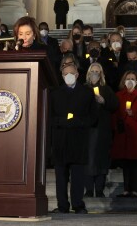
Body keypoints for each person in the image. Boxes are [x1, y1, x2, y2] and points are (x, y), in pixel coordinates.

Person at [50, 62, 97, 213]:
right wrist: (62, 122)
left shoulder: (87, 92)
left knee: (78, 176)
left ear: (77, 75)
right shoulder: (55, 93)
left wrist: (78, 122)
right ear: (62, 76)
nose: (69, 76)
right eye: (65, 74)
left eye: (72, 73)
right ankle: (62, 205)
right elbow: (49, 117)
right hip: (60, 139)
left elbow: (94, 118)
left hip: (79, 139)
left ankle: (78, 204)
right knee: (61, 176)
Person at [111, 70, 137, 198]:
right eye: (128, 78)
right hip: (123, 132)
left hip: (136, 132)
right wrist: (116, 126)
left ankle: (134, 190)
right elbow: (115, 113)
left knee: (136, 162)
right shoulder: (119, 95)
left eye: (133, 78)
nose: (130, 81)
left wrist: (135, 114)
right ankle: (126, 189)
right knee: (125, 162)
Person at [84, 62, 119, 197]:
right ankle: (88, 189)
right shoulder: (84, 89)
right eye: (92, 71)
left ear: (101, 74)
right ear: (88, 74)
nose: (95, 74)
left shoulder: (107, 89)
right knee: (88, 159)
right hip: (87, 130)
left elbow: (115, 105)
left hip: (102, 129)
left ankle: (99, 189)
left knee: (101, 159)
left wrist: (104, 101)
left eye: (97, 71)